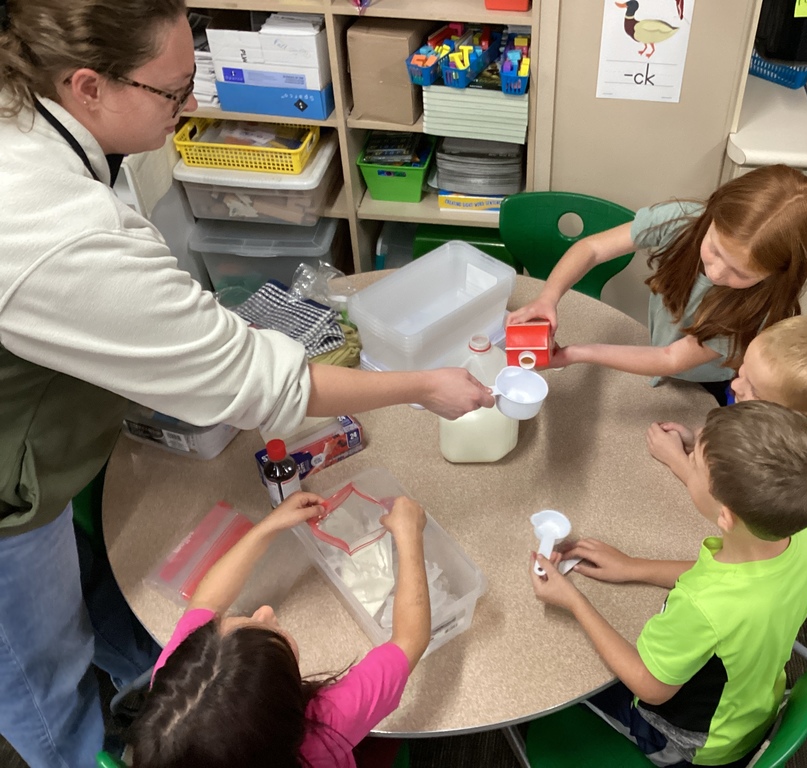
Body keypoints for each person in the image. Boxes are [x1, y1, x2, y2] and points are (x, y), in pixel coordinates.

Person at [0, 2, 491, 765]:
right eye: (174, 91)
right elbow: (260, 383)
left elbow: (200, 603)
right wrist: (423, 386)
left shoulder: (41, 127)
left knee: (89, 600)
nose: (190, 105)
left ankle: (165, 704)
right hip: (9, 489)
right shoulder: (53, 233)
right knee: (44, 678)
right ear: (88, 86)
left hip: (38, 454)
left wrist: (265, 529)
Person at [531, 402, 807, 768]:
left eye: (691, 465)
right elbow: (730, 582)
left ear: (725, 515)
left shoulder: (702, 606)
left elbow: (650, 687)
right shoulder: (802, 536)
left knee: (559, 682)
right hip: (749, 706)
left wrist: (574, 601)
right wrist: (634, 567)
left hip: (686, 740)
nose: (686, 463)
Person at [129, 491, 431, 768]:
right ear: (285, 707)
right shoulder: (326, 727)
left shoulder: (178, 692)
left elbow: (206, 600)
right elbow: (409, 640)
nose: (265, 612)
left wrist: (269, 526)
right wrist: (409, 535)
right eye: (269, 634)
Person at [507, 165, 807, 406]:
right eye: (715, 249)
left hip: (711, 384)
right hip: (664, 356)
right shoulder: (681, 221)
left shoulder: (758, 311)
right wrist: (548, 297)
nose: (716, 272)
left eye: (740, 274)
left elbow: (672, 359)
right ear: (713, 212)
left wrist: (576, 353)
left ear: (776, 274)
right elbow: (591, 249)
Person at [647, 314, 807, 605]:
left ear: (803, 419)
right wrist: (703, 445)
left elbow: (727, 537)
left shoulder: (780, 481)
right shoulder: (778, 429)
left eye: (754, 390)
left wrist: (678, 460)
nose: (736, 386)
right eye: (742, 371)